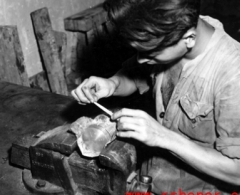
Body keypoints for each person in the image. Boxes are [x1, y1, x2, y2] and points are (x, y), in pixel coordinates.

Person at [71, 0, 240, 194]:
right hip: (150, 178)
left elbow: (237, 171)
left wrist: (161, 136)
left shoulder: (233, 74)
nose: (141, 59)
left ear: (189, 38)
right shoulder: (167, 31)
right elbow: (137, 77)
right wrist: (113, 84)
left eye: (150, 53)